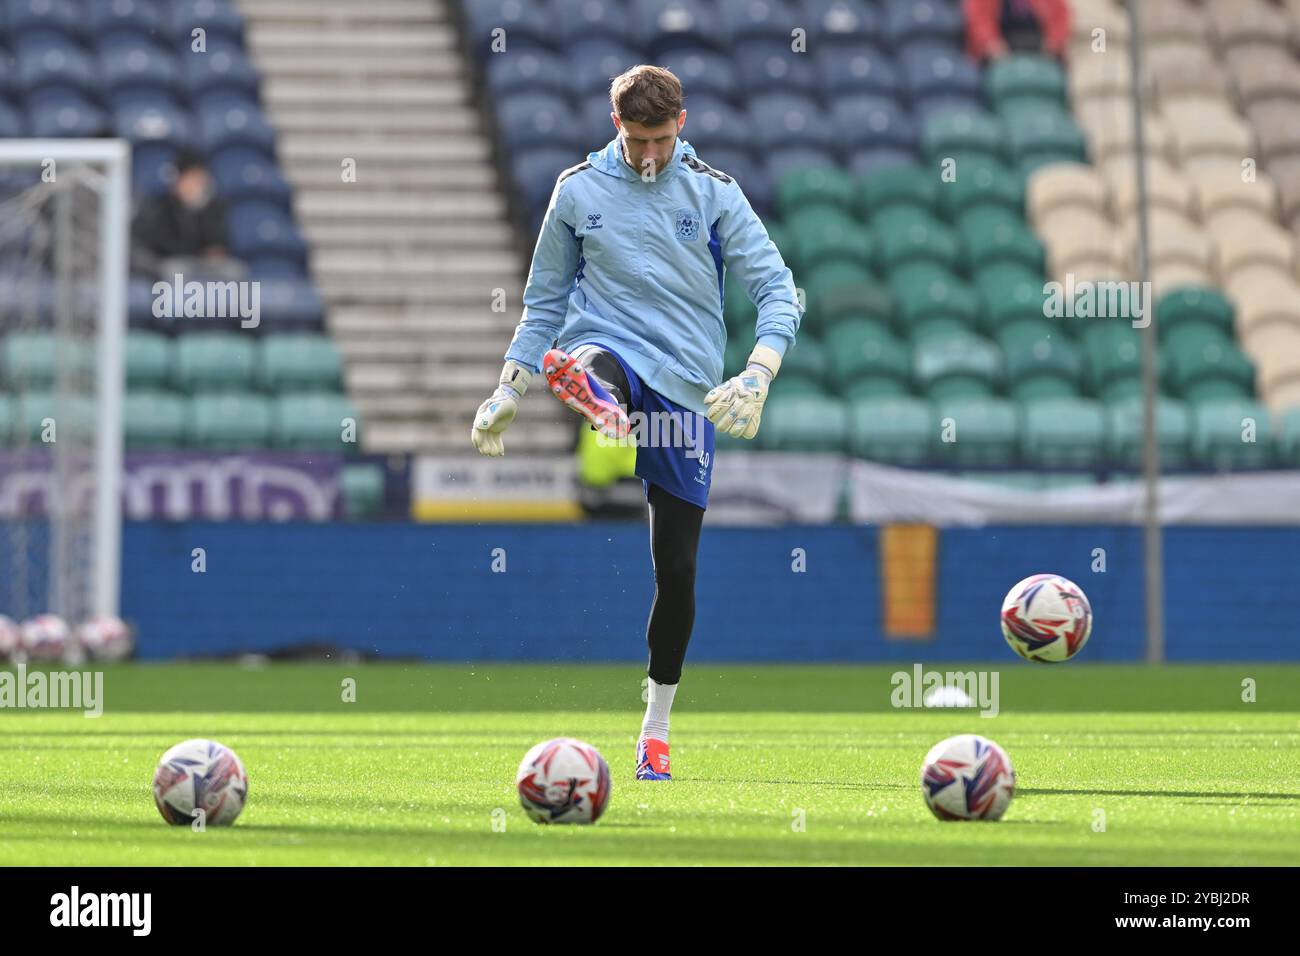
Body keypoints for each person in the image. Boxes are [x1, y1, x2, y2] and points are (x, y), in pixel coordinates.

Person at [471, 65, 802, 781]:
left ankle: (655, 731)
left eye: (658, 138)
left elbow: (778, 288)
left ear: (680, 122)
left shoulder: (714, 193)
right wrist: (507, 387)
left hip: (685, 392)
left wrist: (758, 371)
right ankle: (598, 394)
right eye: (634, 139)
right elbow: (544, 300)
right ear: (614, 124)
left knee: (677, 571)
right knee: (593, 356)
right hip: (609, 345)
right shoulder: (577, 191)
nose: (647, 155)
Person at [132, 148, 245, 281]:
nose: (196, 183)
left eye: (199, 177)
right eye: (191, 177)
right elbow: (157, 243)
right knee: (174, 271)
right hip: (173, 262)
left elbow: (219, 242)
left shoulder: (213, 205)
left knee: (234, 271)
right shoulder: (162, 206)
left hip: (205, 264)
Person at [964, 0, 1071, 61]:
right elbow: (978, 19)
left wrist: (1053, 43)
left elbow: (1059, 16)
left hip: (1039, 47)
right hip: (1001, 49)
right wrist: (992, 45)